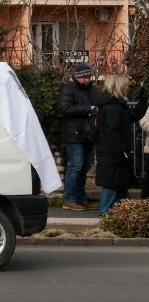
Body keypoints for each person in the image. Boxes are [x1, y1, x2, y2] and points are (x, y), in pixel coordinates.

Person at [57, 63, 99, 211]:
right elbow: (65, 109)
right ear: (77, 76)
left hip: (88, 134)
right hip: (74, 134)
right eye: (84, 78)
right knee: (76, 166)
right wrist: (89, 109)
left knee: (84, 166)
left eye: (88, 77)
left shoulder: (91, 89)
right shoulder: (68, 88)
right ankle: (70, 199)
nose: (87, 80)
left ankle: (80, 198)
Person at [94, 74, 135, 215]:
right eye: (125, 86)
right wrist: (121, 150)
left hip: (111, 149)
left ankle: (121, 209)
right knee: (111, 181)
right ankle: (106, 210)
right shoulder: (113, 107)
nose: (127, 89)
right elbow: (112, 131)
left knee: (118, 181)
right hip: (112, 151)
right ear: (119, 87)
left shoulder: (115, 105)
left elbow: (132, 117)